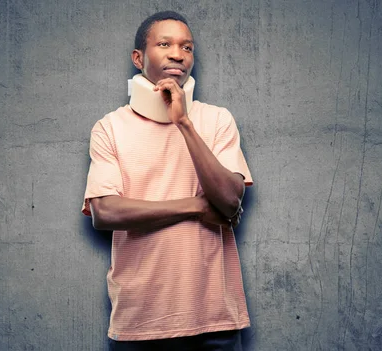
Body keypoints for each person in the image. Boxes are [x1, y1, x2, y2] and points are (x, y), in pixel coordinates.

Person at [81, 10, 253, 351]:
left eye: (187, 47)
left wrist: (184, 123)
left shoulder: (217, 120)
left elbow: (230, 201)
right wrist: (196, 207)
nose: (178, 54)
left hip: (214, 320)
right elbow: (105, 213)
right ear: (138, 58)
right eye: (165, 44)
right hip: (139, 322)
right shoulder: (109, 127)